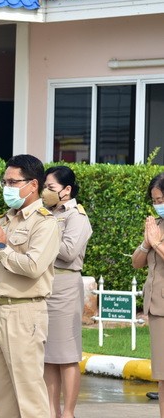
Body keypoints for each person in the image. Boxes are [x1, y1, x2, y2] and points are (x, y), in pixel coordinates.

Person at [0, 154, 60, 418]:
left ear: (33, 185)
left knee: (29, 394)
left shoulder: (45, 222)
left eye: (13, 182)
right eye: (5, 182)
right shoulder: (3, 220)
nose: (7, 187)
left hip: (25, 312)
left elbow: (33, 267)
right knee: (4, 394)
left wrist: (1, 246)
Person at [42, 166, 93, 418]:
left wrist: (43, 237)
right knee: (48, 355)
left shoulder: (77, 216)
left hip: (65, 287)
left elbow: (69, 252)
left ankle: (68, 412)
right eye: (45, 187)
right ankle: (52, 411)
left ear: (67, 189)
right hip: (44, 284)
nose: (45, 192)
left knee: (67, 354)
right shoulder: (47, 213)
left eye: (50, 187)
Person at [133, 172, 164, 418]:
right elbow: (136, 263)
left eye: (161, 200)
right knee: (162, 375)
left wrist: (156, 244)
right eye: (154, 201)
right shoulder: (157, 226)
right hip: (156, 306)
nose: (157, 205)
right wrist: (146, 243)